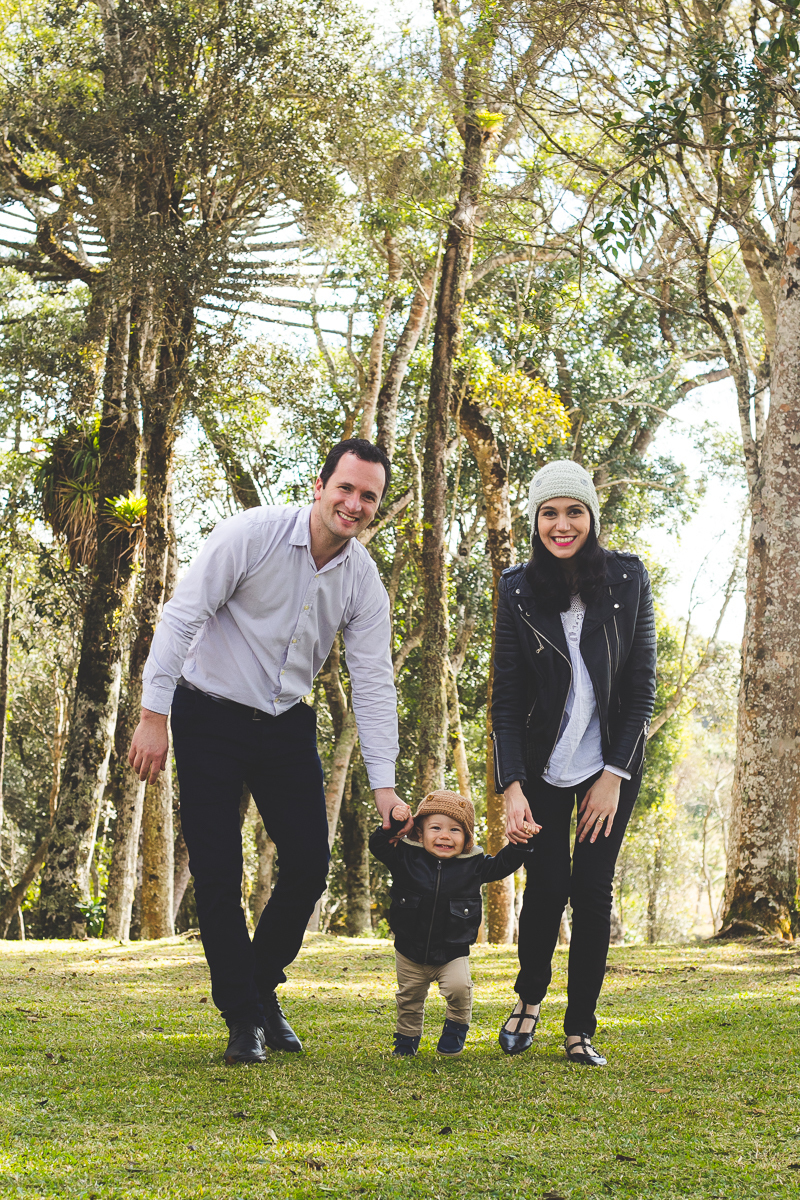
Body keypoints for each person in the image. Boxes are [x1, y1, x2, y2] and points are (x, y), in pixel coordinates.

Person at [128, 438, 412, 1065]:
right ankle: (242, 1018)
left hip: (285, 723)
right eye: (346, 488)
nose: (354, 504)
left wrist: (385, 787)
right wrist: (153, 715)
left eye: (369, 496)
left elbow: (372, 681)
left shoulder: (362, 580)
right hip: (207, 713)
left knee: (310, 864)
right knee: (217, 870)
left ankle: (260, 984)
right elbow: (181, 616)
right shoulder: (251, 535)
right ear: (320, 486)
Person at [491, 460, 656, 1066]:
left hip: (609, 765)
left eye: (574, 512)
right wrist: (511, 786)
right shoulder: (516, 588)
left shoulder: (628, 578)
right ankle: (528, 999)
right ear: (536, 521)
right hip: (541, 764)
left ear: (592, 516)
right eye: (549, 513)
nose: (562, 525)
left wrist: (614, 774)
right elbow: (506, 698)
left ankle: (580, 1026)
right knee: (546, 887)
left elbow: (641, 689)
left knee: (591, 889)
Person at [369, 790, 536, 1058]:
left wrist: (520, 843)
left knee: (459, 990)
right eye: (436, 828)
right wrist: (396, 823)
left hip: (452, 952)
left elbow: (503, 864)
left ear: (467, 838)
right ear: (420, 833)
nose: (445, 835)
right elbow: (378, 846)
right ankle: (406, 1039)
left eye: (455, 830)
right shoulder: (405, 857)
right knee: (409, 998)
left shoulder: (474, 865)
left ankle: (456, 1027)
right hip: (409, 950)